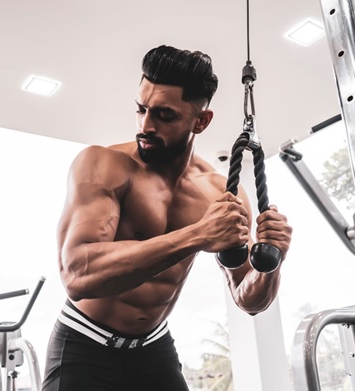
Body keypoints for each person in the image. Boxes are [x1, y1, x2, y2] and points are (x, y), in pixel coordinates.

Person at [41, 44, 292, 391]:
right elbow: (78, 273)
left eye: (164, 115)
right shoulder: (104, 166)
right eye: (141, 109)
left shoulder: (220, 193)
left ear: (200, 121)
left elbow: (249, 299)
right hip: (84, 346)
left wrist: (272, 261)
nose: (146, 125)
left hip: (153, 349)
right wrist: (197, 235)